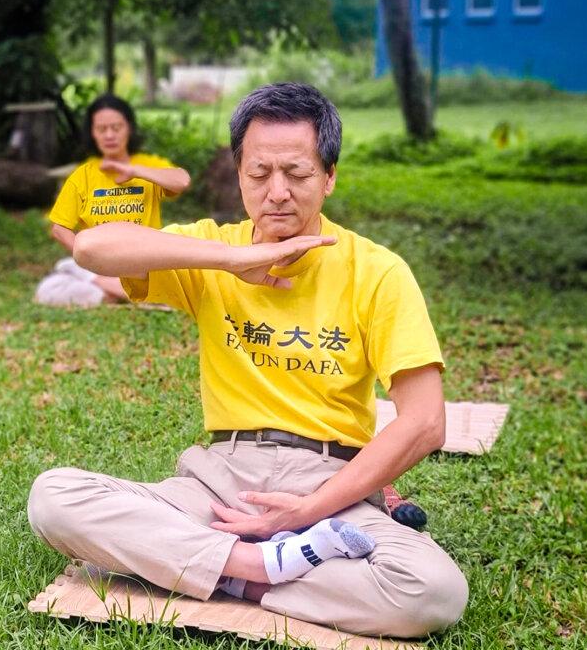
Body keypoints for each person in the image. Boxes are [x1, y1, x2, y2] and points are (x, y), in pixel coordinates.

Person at [27, 83, 469, 638]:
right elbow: (92, 249)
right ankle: (254, 570)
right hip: (218, 482)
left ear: (329, 176)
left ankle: (204, 564)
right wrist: (234, 260)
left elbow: (425, 422)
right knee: (53, 498)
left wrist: (303, 515)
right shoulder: (216, 250)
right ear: (238, 174)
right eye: (259, 175)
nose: (277, 193)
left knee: (433, 591)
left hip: (329, 486)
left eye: (298, 174)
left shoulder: (377, 271)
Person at [35, 94, 190, 307]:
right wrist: (88, 259)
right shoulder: (84, 174)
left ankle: (117, 292)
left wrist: (135, 170)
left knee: (177, 269)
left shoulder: (147, 164)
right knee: (53, 283)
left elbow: (181, 180)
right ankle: (117, 290)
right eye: (101, 129)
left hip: (145, 261)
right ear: (92, 133)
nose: (109, 135)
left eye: (116, 128)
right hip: (100, 265)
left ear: (129, 128)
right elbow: (59, 228)